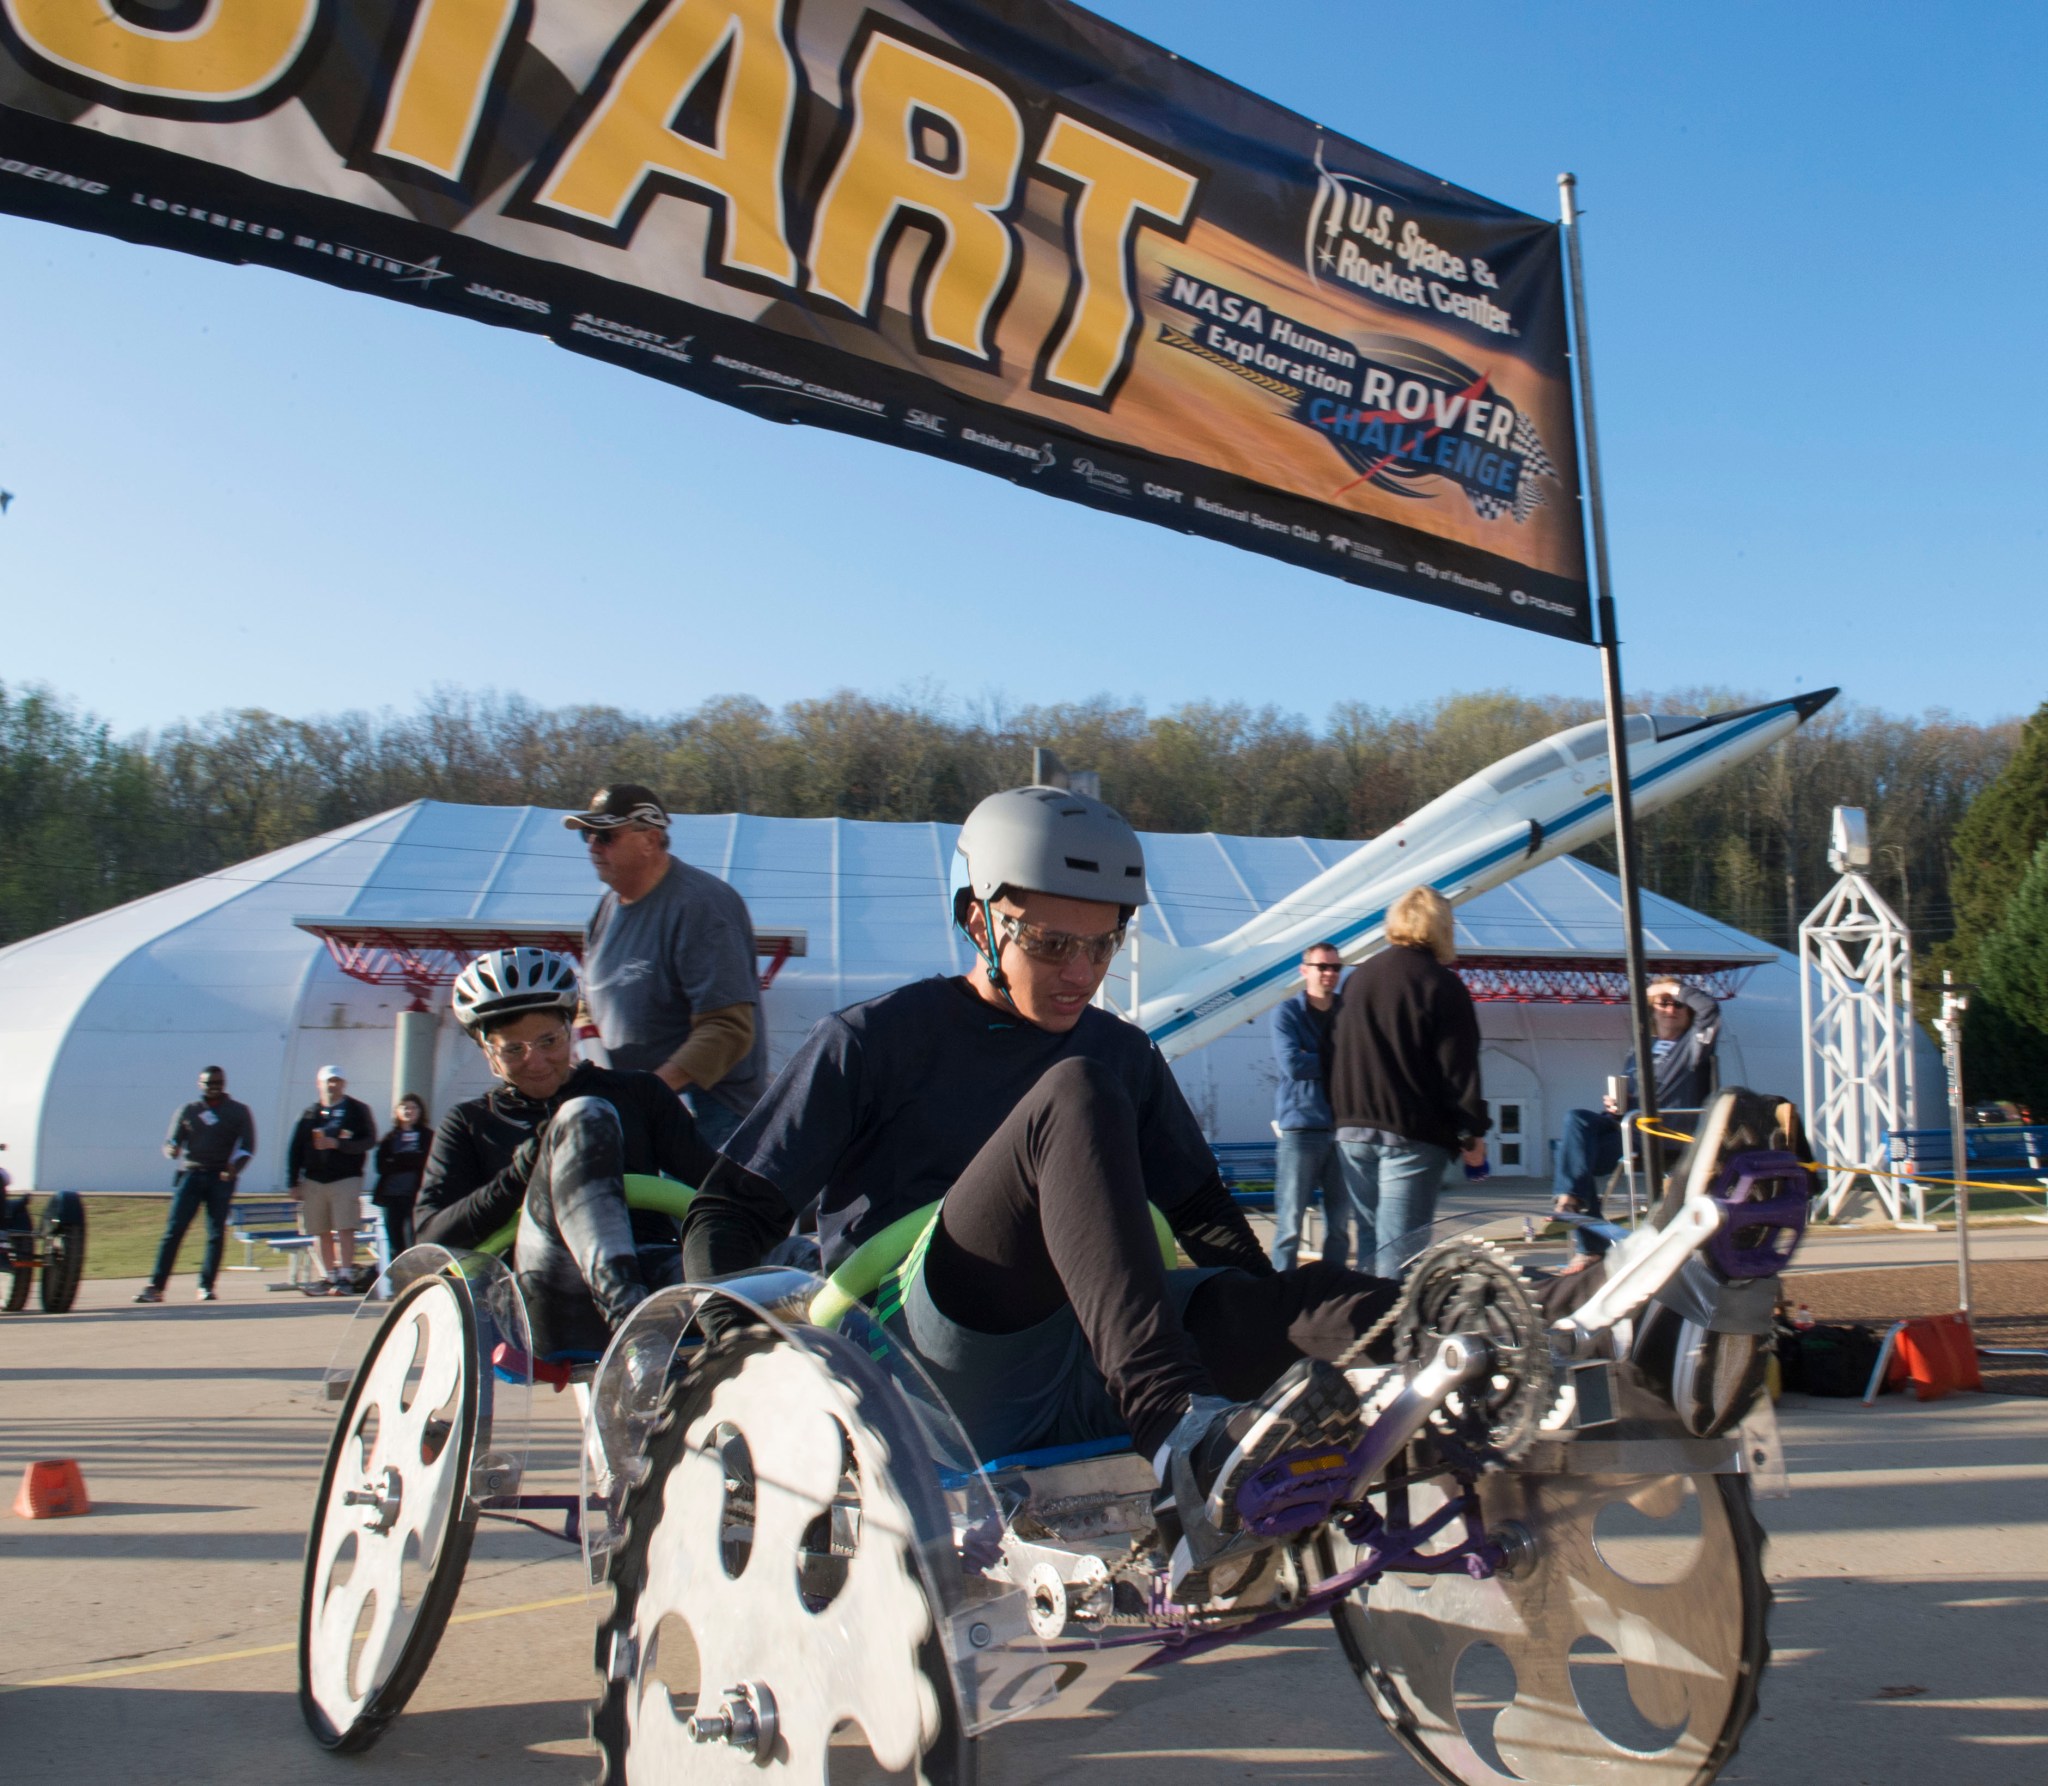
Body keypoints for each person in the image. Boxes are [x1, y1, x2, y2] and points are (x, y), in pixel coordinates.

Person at [682, 786, 1403, 1601]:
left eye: (1103, 946)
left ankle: (1475, 1344)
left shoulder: (1124, 1051)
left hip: (1103, 1356)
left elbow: (1207, 1222)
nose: (1080, 974)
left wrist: (1264, 1333)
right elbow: (728, 1212)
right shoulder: (872, 1041)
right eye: (1052, 943)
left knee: (1303, 1299)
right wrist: (739, 1372)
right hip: (944, 1364)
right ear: (979, 919)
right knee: (1076, 1095)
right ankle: (1177, 1429)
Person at [416, 947, 717, 1358]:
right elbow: (429, 1239)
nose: (535, 1061)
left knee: (789, 1264)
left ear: (569, 1030)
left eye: (548, 1041)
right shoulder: (468, 1122)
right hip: (545, 1294)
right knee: (584, 1115)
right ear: (487, 1051)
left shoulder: (639, 1093)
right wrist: (520, 1174)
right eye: (512, 1050)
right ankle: (635, 1334)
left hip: (654, 1274)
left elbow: (717, 1186)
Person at [569, 783, 767, 1151]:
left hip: (711, 1115)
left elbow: (728, 1029)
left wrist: (649, 1093)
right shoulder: (604, 911)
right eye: (587, 833)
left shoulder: (701, 906)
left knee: (691, 1211)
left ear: (650, 838)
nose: (593, 845)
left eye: (606, 835)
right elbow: (585, 1003)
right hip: (641, 1112)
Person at [1330, 888, 1489, 1281]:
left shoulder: (1357, 978)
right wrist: (1472, 1133)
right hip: (1411, 1131)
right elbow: (1459, 1068)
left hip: (1352, 1129)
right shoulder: (1441, 984)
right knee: (1400, 1251)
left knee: (1370, 1241)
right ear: (1440, 928)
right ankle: (1393, 1337)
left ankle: (1365, 1327)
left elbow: (1332, 1049)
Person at [1550, 979, 1722, 1272]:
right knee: (1572, 1128)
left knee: (1571, 1156)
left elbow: (1710, 1010)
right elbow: (1629, 1097)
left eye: (1677, 1004)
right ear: (1652, 1012)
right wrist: (1616, 1103)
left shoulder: (1693, 1045)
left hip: (1657, 1132)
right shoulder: (1641, 1049)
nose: (1670, 1009)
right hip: (1627, 1126)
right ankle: (1573, 1203)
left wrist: (1671, 988)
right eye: (1662, 1003)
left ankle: (1587, 1240)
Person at [1268, 942, 1357, 1269]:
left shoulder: (1348, 1014)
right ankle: (1282, 1295)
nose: (1330, 974)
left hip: (1344, 1129)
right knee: (1289, 1224)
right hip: (1301, 1130)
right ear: (1305, 970)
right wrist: (1342, 1060)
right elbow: (1292, 1064)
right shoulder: (1287, 1013)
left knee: (1339, 1225)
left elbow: (1361, 1062)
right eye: (1323, 967)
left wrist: (1315, 1059)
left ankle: (1334, 1295)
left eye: (1336, 967)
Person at [135, 1065, 256, 1305]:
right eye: (209, 1083)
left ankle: (206, 1285)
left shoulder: (238, 1111)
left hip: (219, 1177)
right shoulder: (189, 1111)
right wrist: (171, 1149)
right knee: (174, 1231)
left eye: (219, 1082)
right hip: (191, 1174)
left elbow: (248, 1145)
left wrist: (235, 1168)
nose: (215, 1087)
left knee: (215, 1233)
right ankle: (156, 1286)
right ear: (200, 1084)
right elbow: (172, 1142)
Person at [285, 1066, 377, 1296]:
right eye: (327, 1081)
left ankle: (345, 1275)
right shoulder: (309, 1114)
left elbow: (368, 1140)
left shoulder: (357, 1110)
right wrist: (293, 1181)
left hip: (345, 1177)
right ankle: (329, 1276)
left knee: (345, 1227)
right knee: (320, 1229)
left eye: (336, 1081)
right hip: (315, 1179)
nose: (331, 1085)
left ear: (343, 1084)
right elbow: (294, 1148)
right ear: (319, 1084)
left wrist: (339, 1145)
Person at [371, 1093, 431, 1258]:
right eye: (405, 1107)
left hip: (416, 1195)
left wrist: (398, 1160)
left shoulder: (428, 1136)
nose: (409, 1111)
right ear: (397, 1111)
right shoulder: (389, 1138)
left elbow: (425, 1162)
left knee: (413, 1237)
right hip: (391, 1195)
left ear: (420, 1111)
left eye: (413, 1107)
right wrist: (409, 1159)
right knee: (394, 1241)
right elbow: (381, 1166)